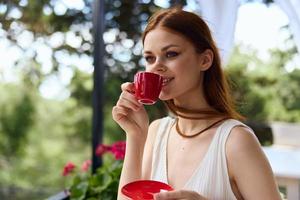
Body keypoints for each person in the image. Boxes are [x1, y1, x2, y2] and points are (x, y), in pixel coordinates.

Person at [112, 7, 281, 200]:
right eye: (150, 58)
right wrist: (135, 134)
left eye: (171, 54)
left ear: (205, 60)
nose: (156, 66)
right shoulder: (156, 132)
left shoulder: (235, 141)